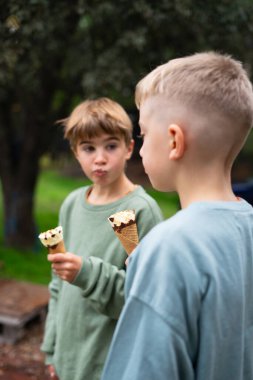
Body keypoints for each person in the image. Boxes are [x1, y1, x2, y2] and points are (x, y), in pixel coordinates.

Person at [101, 52, 253, 380]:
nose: (139, 150)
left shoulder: (169, 249)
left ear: (174, 140)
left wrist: (157, 265)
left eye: (142, 135)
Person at [40, 97, 163, 380]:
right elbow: (57, 285)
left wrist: (87, 273)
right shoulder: (71, 204)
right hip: (67, 360)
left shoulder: (140, 212)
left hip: (111, 365)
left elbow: (141, 301)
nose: (99, 158)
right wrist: (51, 350)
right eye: (88, 148)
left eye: (110, 146)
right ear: (75, 153)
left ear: (129, 147)